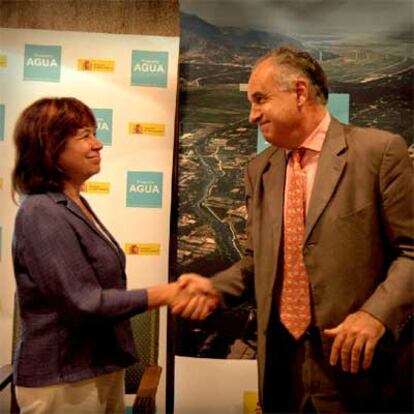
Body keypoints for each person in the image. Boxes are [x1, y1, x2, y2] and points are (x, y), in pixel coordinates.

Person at [175, 46, 413, 413]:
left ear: (300, 93)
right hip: (282, 373)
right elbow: (258, 262)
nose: (252, 115)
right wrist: (212, 289)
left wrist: (375, 314)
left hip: (359, 374)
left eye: (260, 99)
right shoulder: (260, 170)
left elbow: (411, 253)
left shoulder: (379, 153)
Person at [10, 97, 211, 414]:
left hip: (98, 369)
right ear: (50, 147)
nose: (98, 144)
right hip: (65, 381)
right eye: (85, 135)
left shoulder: (72, 203)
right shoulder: (41, 212)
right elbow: (83, 303)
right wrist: (166, 293)